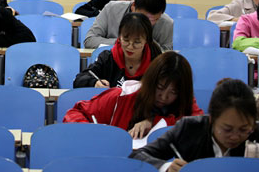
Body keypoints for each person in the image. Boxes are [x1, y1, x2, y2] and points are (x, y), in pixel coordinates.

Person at [130, 79, 259, 171]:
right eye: (227, 129)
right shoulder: (189, 128)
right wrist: (166, 167)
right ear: (211, 119)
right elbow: (138, 156)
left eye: (244, 129)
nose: (235, 136)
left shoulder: (258, 133)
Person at [65, 52, 202, 138]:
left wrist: (154, 122)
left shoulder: (186, 104)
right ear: (150, 82)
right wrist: (94, 135)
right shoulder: (122, 97)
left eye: (173, 92)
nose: (164, 97)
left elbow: (200, 130)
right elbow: (75, 113)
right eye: (160, 88)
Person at [74, 13, 162, 88]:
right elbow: (79, 80)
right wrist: (94, 83)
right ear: (119, 37)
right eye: (126, 40)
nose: (130, 46)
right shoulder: (108, 58)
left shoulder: (156, 61)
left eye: (137, 42)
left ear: (146, 41)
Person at [84, 0, 173, 51]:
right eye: (144, 18)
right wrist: (123, 42)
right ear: (133, 7)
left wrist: (146, 43)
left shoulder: (167, 22)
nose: (148, 23)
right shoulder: (111, 8)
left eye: (155, 20)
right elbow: (90, 40)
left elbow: (165, 54)